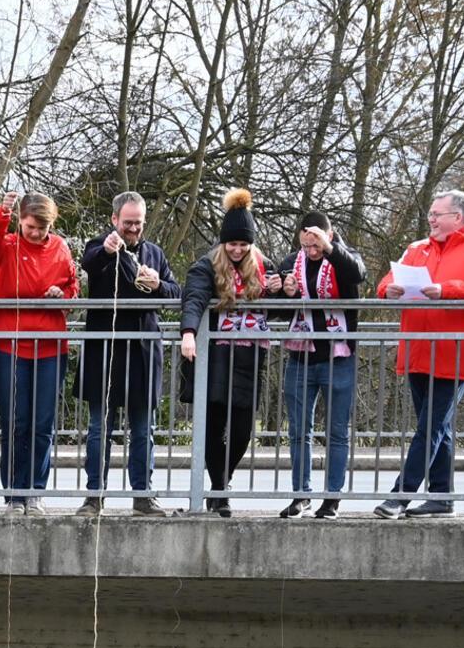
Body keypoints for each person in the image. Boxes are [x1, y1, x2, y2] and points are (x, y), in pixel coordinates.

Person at [375, 190, 464, 519]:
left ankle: (399, 497)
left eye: (437, 214)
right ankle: (442, 497)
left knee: (430, 427)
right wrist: (387, 290)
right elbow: (388, 279)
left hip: (455, 352)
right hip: (417, 349)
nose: (430, 219)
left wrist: (447, 290)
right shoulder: (416, 248)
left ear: (457, 218)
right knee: (436, 427)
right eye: (431, 214)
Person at [77, 192, 179, 516]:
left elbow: (176, 293)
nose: (134, 229)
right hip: (105, 352)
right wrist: (108, 251)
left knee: (143, 429)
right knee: (99, 429)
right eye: (128, 223)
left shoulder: (155, 253)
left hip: (143, 353)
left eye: (138, 223)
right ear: (114, 220)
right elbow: (89, 262)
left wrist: (158, 283)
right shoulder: (99, 246)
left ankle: (143, 495)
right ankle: (95, 496)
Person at [0, 191, 81, 512]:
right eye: (29, 227)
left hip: (50, 345)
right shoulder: (8, 246)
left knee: (42, 423)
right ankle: (13, 493)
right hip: (10, 345)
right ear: (21, 222)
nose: (36, 233)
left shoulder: (61, 248)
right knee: (16, 421)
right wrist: (3, 212)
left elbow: (73, 287)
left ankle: (35, 490)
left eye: (42, 227)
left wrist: (61, 293)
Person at [178, 188, 275, 516]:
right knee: (213, 424)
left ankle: (221, 483)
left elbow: (279, 306)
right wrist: (189, 332)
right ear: (223, 243)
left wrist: (282, 290)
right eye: (231, 243)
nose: (236, 249)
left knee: (243, 428)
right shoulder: (207, 264)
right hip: (214, 356)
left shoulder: (263, 265)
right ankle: (219, 491)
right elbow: (193, 298)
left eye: (242, 244)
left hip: (250, 356)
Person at [271, 210, 365, 518]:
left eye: (316, 246)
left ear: (329, 235)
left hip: (338, 356)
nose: (311, 252)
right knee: (299, 430)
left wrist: (329, 249)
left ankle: (332, 498)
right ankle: (301, 495)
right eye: (306, 246)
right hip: (301, 356)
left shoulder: (343, 255)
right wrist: (284, 295)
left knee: (337, 431)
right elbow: (282, 312)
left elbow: (357, 274)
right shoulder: (290, 262)